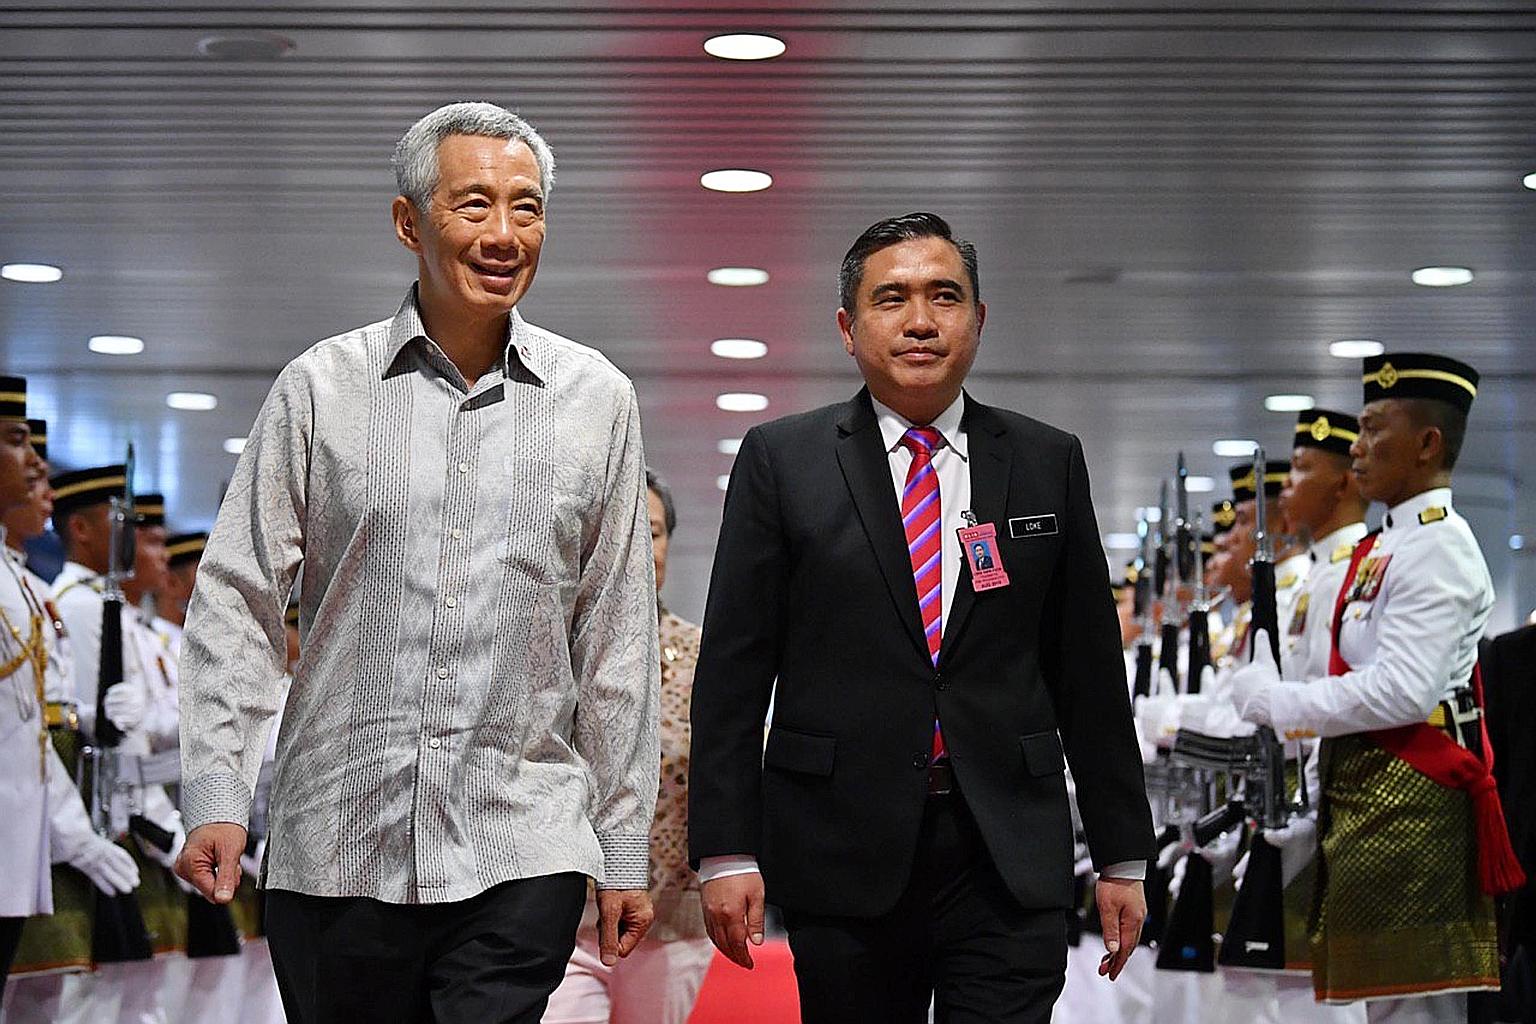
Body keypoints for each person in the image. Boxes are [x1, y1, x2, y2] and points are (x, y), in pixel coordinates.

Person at [173, 101, 660, 1024]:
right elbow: (237, 598)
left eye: (528, 207)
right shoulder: (318, 389)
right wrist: (217, 791)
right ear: (410, 223)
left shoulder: (599, 399)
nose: (505, 233)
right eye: (474, 205)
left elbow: (615, 636)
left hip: (521, 843)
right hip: (337, 847)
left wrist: (622, 844)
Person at [688, 212, 1154, 1023]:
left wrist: (1123, 852)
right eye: (891, 298)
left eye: (945, 296)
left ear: (978, 318)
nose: (920, 321)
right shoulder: (783, 461)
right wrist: (726, 850)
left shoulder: (1047, 461)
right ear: (847, 326)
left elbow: (1088, 672)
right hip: (843, 845)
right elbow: (733, 672)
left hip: (1006, 849)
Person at [1230, 353, 1523, 1022]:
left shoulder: (1440, 546)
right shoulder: (1385, 547)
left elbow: (1402, 692)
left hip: (1416, 804)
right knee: (1378, 1007)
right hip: (1368, 800)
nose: (1357, 449)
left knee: (1416, 1008)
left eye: (1372, 430)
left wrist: (1283, 704)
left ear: (1427, 444)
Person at [544, 468, 716, 1024]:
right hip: (558, 919)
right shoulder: (541, 654)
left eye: (657, 531)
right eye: (627, 529)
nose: (643, 546)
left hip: (668, 920)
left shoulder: (704, 656)